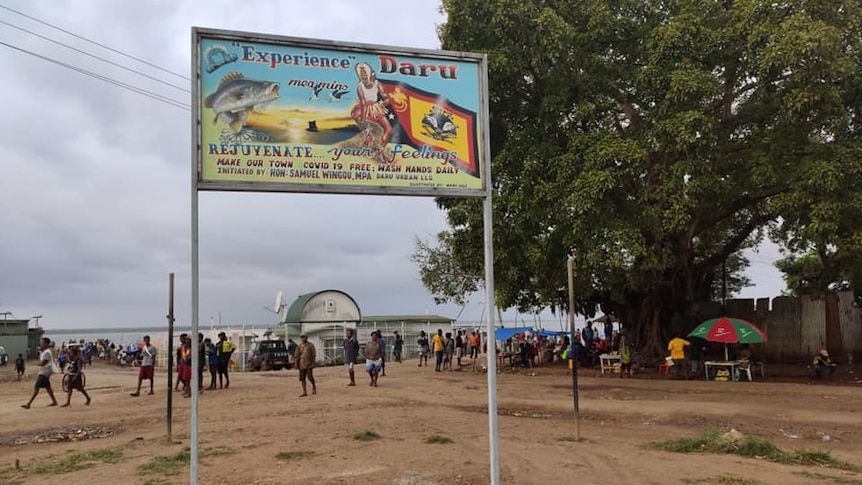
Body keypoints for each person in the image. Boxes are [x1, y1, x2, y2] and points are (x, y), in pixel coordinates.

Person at [349, 62, 392, 152]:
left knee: (388, 129)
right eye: (361, 75)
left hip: (375, 108)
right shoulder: (360, 87)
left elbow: (387, 98)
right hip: (363, 108)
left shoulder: (377, 84)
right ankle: (368, 135)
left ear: (370, 74)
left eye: (365, 74)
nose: (363, 76)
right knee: (357, 116)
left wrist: (382, 104)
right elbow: (363, 103)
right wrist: (363, 120)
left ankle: (380, 148)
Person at [22, 337, 58, 408]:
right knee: (48, 387)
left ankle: (29, 404)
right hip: (44, 371)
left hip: (45, 371)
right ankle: (54, 401)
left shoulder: (47, 352)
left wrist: (35, 364)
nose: (40, 344)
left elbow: (43, 363)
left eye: (42, 343)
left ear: (46, 344)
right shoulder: (44, 351)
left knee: (37, 387)